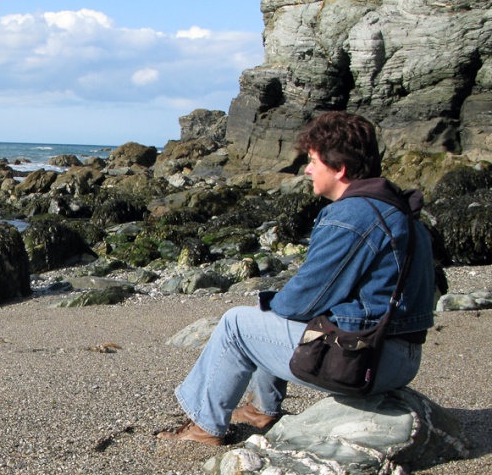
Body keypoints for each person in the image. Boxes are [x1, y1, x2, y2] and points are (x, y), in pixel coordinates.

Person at [160, 111, 435, 446]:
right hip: (400, 356)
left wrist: (273, 302)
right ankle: (262, 409)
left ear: (340, 168)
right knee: (268, 314)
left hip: (367, 361)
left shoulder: (353, 214)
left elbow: (304, 299)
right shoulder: (399, 209)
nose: (306, 169)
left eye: (313, 161)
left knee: (238, 323)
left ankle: (205, 427)